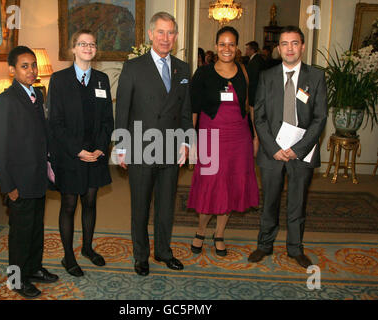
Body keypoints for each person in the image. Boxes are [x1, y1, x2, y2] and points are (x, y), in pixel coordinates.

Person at [115, 12, 193, 276]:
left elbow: (185, 110)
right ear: (150, 34)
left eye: (170, 32)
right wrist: (121, 146)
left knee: (165, 206)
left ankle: (163, 252)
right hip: (141, 147)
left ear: (176, 36)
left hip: (171, 147)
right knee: (140, 206)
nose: (165, 38)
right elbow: (122, 110)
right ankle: (141, 256)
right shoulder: (133, 67)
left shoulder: (183, 68)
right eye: (160, 32)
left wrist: (186, 143)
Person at [248, 26, 327, 269]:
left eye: (294, 43)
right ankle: (264, 245)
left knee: (297, 202)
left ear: (302, 47)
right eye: (284, 43)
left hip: (302, 153)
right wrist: (273, 148)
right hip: (273, 152)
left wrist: (298, 149)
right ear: (278, 48)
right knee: (269, 200)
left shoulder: (316, 77)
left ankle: (295, 248)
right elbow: (258, 117)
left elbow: (320, 118)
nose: (289, 48)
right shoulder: (267, 76)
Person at [0, 46, 59, 299]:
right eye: (24, 66)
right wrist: (8, 186)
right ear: (12, 70)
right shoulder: (5, 101)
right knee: (20, 233)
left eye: (33, 65)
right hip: (18, 181)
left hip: (38, 177)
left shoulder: (37, 95)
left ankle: (33, 269)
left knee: (35, 229)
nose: (31, 71)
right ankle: (17, 280)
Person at [187, 26, 259, 257]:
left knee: (229, 187)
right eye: (222, 44)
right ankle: (200, 231)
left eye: (231, 44)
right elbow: (194, 109)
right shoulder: (203, 73)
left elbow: (251, 107)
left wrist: (255, 136)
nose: (226, 49)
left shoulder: (245, 72)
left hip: (239, 139)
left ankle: (219, 234)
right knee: (209, 186)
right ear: (216, 46)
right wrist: (191, 140)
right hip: (210, 137)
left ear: (237, 47)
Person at [47, 29, 114, 277]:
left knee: (90, 202)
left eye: (92, 44)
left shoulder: (102, 79)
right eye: (82, 44)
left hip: (95, 155)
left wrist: (99, 148)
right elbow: (54, 123)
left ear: (96, 50)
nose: (88, 47)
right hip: (69, 155)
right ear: (73, 49)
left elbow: (108, 119)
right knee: (68, 205)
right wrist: (78, 151)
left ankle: (87, 248)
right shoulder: (59, 79)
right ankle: (68, 256)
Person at [245, 41, 266, 147]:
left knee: (255, 119)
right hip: (256, 94)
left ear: (252, 50)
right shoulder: (258, 60)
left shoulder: (255, 61)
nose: (246, 51)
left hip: (254, 95)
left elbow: (252, 80)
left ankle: (256, 139)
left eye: (247, 49)